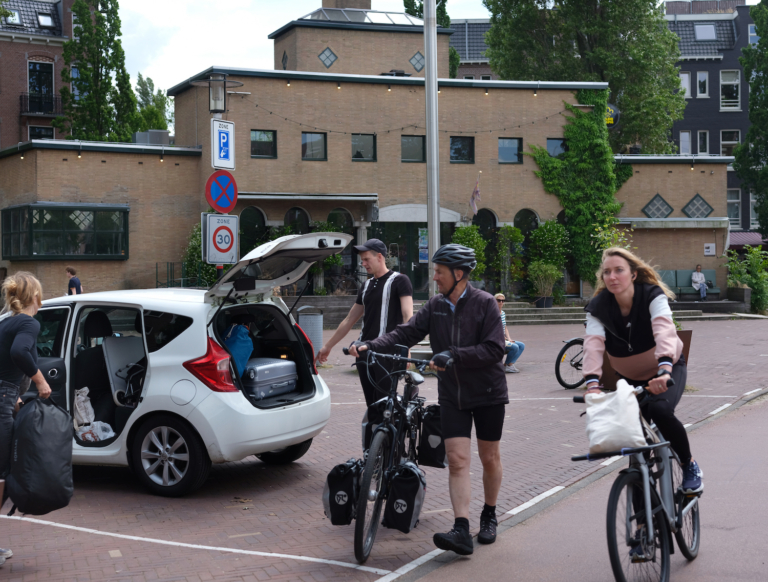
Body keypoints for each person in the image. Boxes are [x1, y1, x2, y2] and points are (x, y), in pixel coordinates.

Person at [349, 244, 507, 555]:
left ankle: (489, 514)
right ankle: (461, 528)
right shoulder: (435, 305)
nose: (434, 277)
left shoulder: (485, 304)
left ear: (458, 274)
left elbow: (494, 349)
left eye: (439, 272)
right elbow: (405, 333)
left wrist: (454, 355)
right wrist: (371, 343)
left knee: (489, 458)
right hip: (452, 395)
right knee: (458, 461)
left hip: (488, 393)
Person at [582, 247, 703, 497]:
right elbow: (593, 343)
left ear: (633, 274)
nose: (612, 276)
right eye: (607, 272)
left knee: (659, 410)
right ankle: (640, 528)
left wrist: (665, 369)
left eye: (619, 270)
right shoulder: (598, 307)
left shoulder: (651, 295)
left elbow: (664, 330)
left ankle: (689, 465)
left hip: (666, 369)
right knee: (636, 448)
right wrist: (592, 383)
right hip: (628, 378)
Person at [315, 239, 413, 406]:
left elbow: (407, 315)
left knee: (385, 405)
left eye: (367, 259)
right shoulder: (366, 285)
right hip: (363, 353)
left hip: (387, 353)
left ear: (380, 257)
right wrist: (328, 346)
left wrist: (407, 349)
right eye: (362, 260)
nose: (363, 264)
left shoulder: (400, 281)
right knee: (372, 406)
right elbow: (349, 319)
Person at [0, 272, 52, 568]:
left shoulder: (4, 321)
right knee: (3, 472)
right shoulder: (28, 322)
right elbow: (19, 352)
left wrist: (14, 392)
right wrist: (40, 381)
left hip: (6, 396)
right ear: (36, 297)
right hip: (2, 400)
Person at [494, 293, 525, 373]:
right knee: (515, 347)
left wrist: (509, 338)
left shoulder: (503, 313)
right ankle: (508, 366)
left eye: (503, 301)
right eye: (499, 300)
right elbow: (492, 328)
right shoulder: (492, 313)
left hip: (504, 339)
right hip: (496, 340)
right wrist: (501, 336)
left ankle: (508, 365)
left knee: (521, 345)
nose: (501, 302)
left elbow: (505, 327)